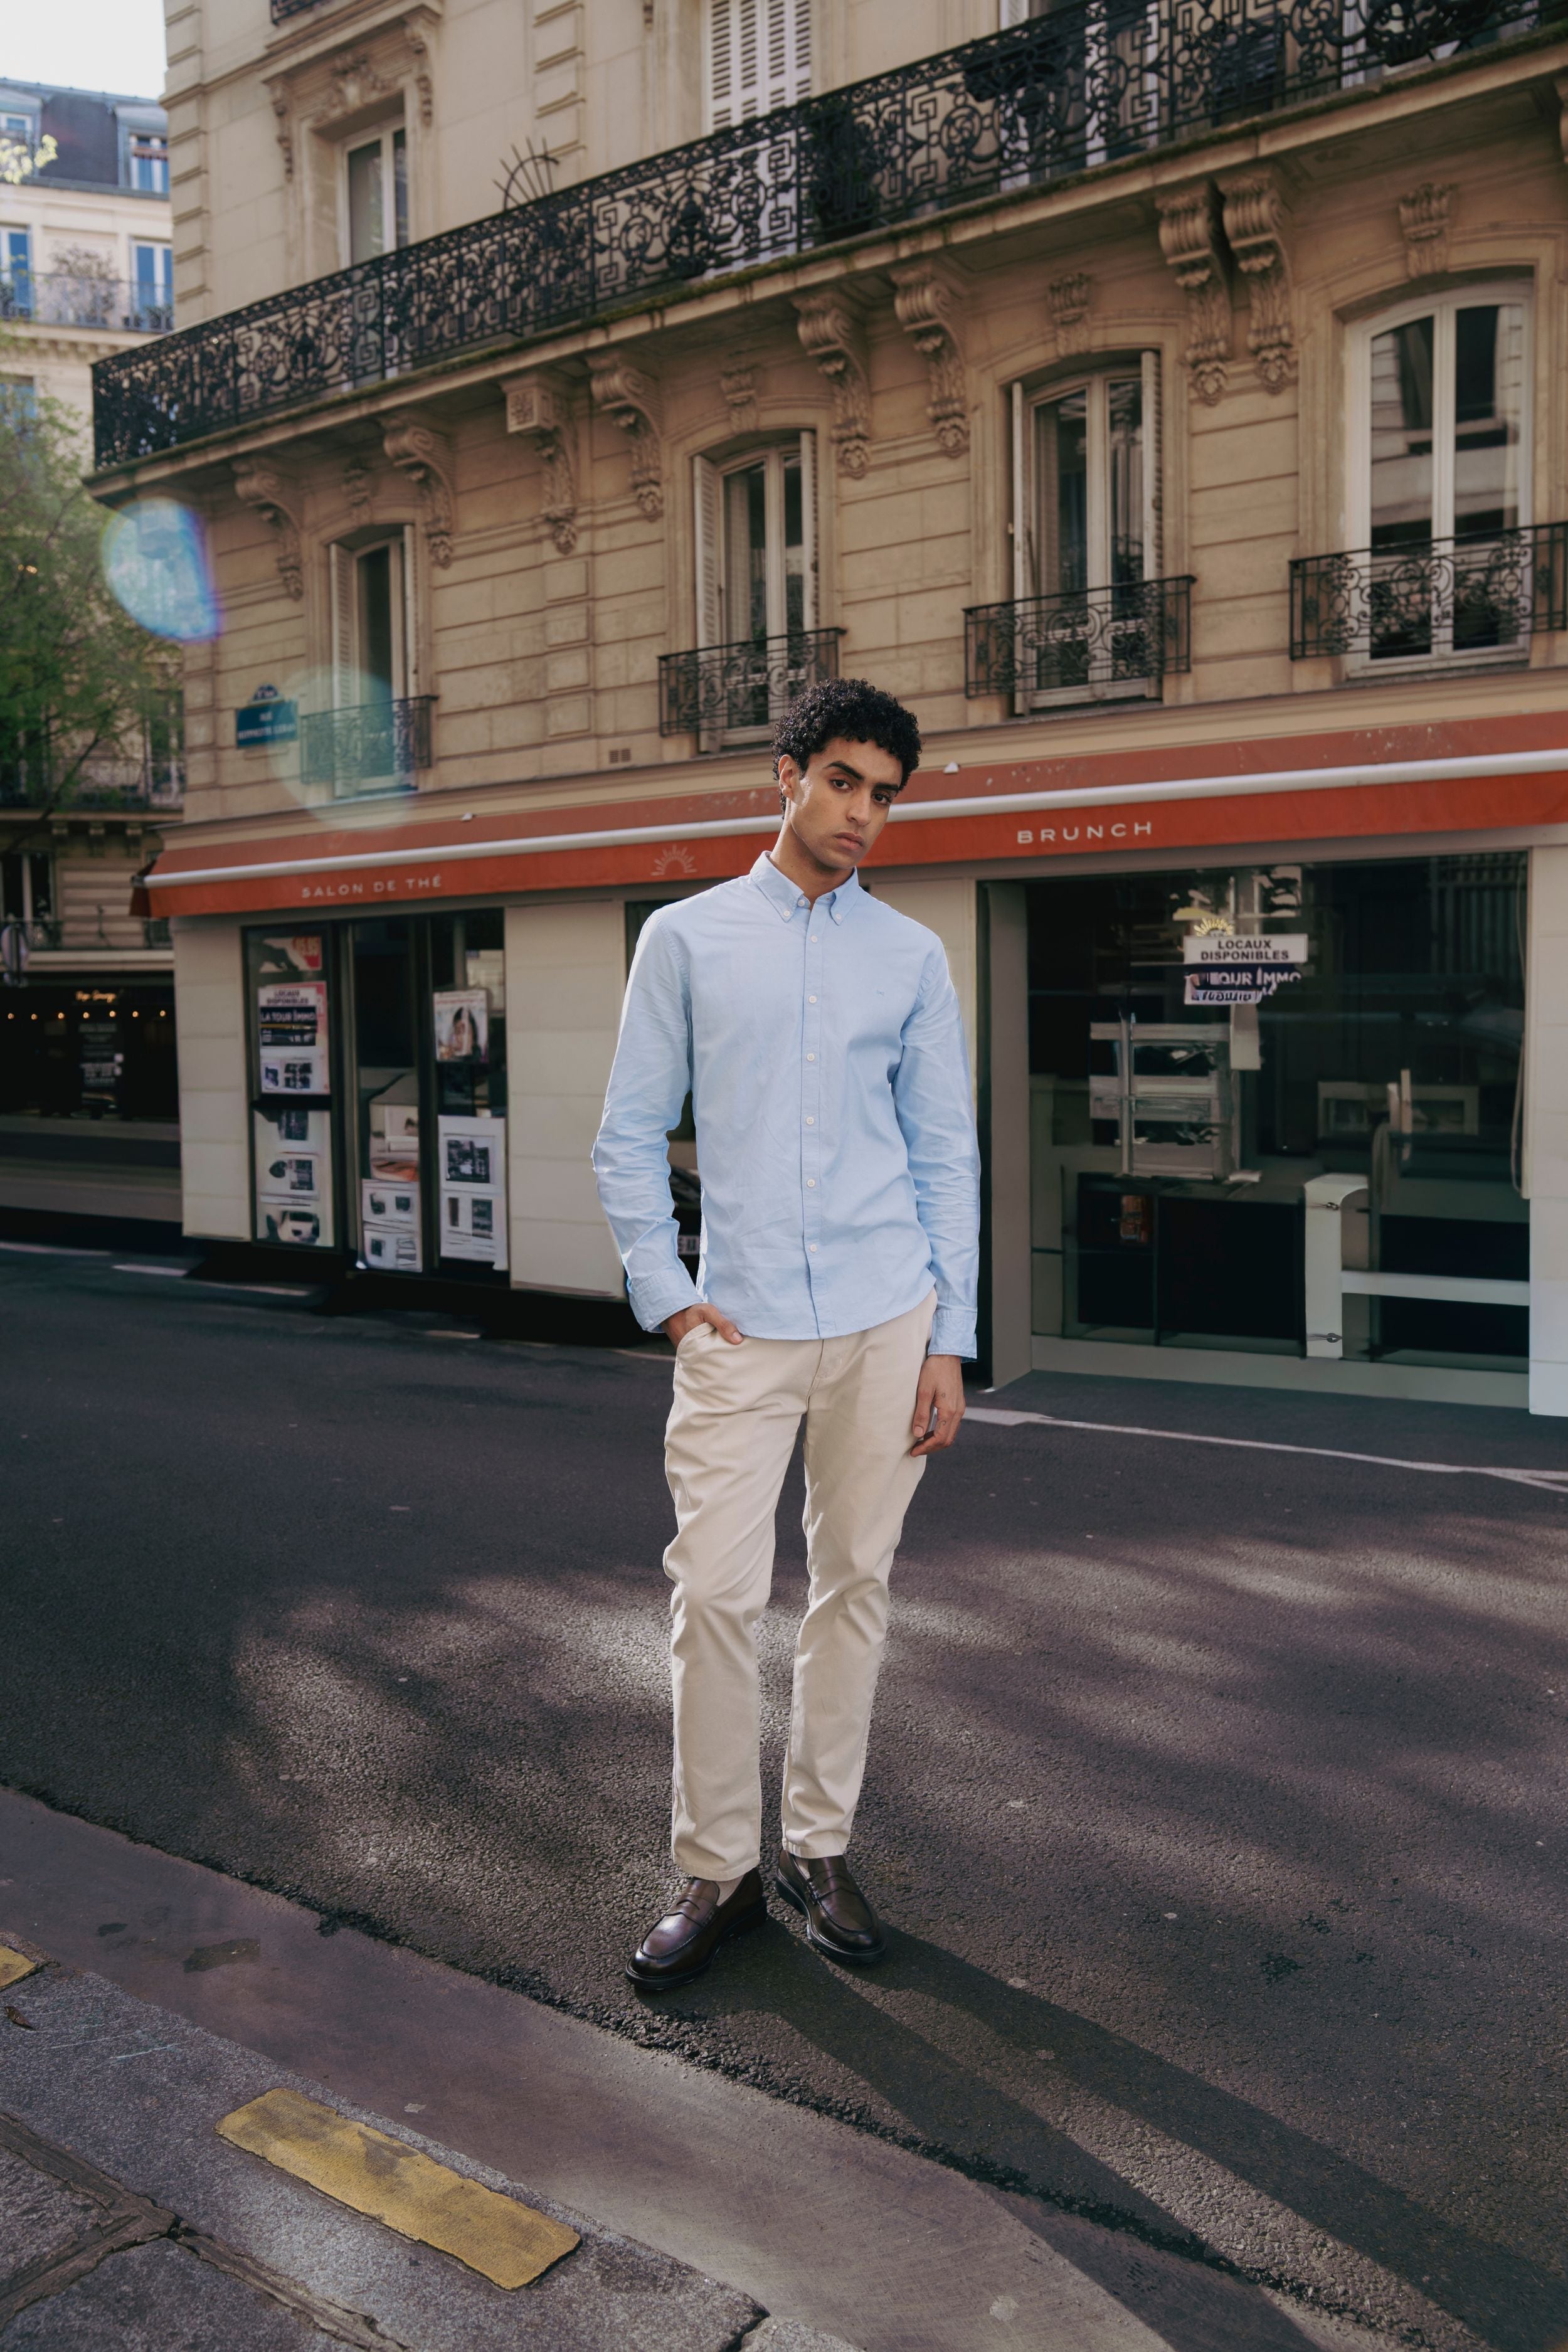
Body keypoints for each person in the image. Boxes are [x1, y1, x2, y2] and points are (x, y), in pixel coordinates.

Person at [593, 677, 980, 1990]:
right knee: (710, 1594)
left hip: (887, 1317)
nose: (862, 813)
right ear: (787, 775)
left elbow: (945, 1157)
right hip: (741, 1326)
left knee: (852, 1592)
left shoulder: (910, 958)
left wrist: (950, 1338)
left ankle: (815, 1851)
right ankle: (713, 1870)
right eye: (842, 782)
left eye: (883, 795)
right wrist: (666, 1290)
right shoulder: (687, 939)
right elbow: (626, 1133)